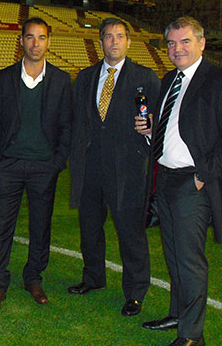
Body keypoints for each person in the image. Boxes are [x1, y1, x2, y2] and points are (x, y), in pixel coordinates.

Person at [136, 17, 222, 346]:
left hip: (192, 182)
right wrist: (151, 130)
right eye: (171, 43)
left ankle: (191, 336)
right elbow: (175, 128)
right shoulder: (170, 78)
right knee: (172, 254)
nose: (177, 48)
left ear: (201, 43)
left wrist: (201, 176)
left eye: (184, 41)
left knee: (189, 260)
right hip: (164, 179)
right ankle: (177, 314)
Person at [68, 18, 159, 316]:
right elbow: (78, 121)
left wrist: (149, 130)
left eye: (120, 36)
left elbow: (161, 125)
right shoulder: (85, 77)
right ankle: (93, 278)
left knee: (130, 232)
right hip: (91, 165)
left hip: (127, 168)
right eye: (108, 37)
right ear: (101, 41)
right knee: (90, 227)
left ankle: (135, 292)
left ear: (129, 42)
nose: (114, 42)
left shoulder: (145, 77)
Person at [0, 17, 72, 313]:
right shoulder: (4, 77)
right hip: (9, 165)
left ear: (49, 41)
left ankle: (33, 278)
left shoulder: (60, 80)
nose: (36, 43)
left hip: (44, 167)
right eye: (30, 37)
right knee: (2, 228)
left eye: (42, 37)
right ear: (20, 41)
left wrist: (57, 161)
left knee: (40, 226)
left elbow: (67, 125)